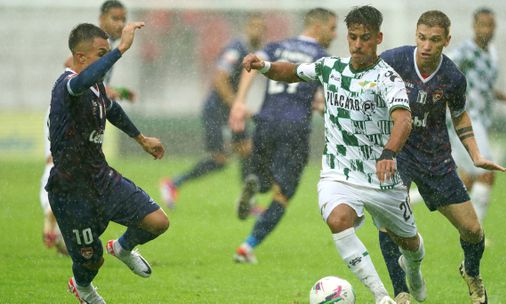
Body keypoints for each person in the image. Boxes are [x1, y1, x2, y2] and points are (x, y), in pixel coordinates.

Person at [233, 6, 428, 304]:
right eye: (353, 37)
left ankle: (413, 273)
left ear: (378, 38)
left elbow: (403, 119)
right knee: (338, 220)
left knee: (410, 245)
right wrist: (265, 67)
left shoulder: (388, 79)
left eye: (365, 38)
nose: (358, 44)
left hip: (381, 177)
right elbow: (293, 72)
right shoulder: (330, 68)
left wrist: (389, 152)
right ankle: (381, 297)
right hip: (339, 173)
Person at [377, 10, 506, 304]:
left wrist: (475, 155)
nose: (426, 46)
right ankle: (401, 292)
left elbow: (460, 116)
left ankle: (471, 273)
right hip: (399, 154)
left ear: (446, 41)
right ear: (416, 36)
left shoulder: (452, 77)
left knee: (473, 231)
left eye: (435, 40)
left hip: (436, 160)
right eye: (422, 38)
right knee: (388, 221)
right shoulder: (394, 60)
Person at [47, 22, 169, 303]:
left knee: (157, 222)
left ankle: (123, 247)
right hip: (71, 192)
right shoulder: (67, 85)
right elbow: (79, 84)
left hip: (101, 178)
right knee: (91, 262)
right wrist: (122, 49)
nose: (108, 59)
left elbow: (112, 109)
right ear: (81, 58)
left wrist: (141, 139)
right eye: (102, 53)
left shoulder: (96, 87)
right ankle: (83, 287)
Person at [228, 7, 337, 264]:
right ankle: (247, 247)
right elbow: (326, 98)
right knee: (283, 194)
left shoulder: (276, 46)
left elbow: (252, 65)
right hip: (295, 126)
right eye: (332, 28)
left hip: (266, 120)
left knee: (264, 178)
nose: (334, 35)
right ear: (318, 27)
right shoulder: (322, 56)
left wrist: (240, 101)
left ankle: (255, 185)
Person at [39, 0, 134, 255]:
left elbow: (98, 87)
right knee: (59, 167)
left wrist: (118, 92)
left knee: (80, 172)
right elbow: (73, 71)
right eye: (115, 18)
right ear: (102, 19)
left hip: (85, 114)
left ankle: (66, 232)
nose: (121, 24)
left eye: (123, 19)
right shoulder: (95, 44)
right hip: (67, 114)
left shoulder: (105, 48)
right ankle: (53, 221)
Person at [159, 14, 266, 209]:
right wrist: (236, 104)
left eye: (261, 27)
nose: (257, 31)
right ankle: (173, 183)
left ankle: (247, 203)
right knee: (220, 159)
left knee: (246, 149)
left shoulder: (254, 52)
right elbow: (219, 78)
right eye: (254, 26)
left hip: (231, 110)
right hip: (217, 110)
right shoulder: (236, 49)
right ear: (246, 28)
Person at [446, 7, 506, 223]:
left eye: (491, 25)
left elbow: (484, 86)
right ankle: (475, 231)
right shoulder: (466, 51)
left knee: (468, 179)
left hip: (480, 118)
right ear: (474, 26)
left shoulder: (491, 53)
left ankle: (429, 199)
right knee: (486, 171)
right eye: (483, 25)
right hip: (466, 118)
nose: (488, 29)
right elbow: (443, 67)